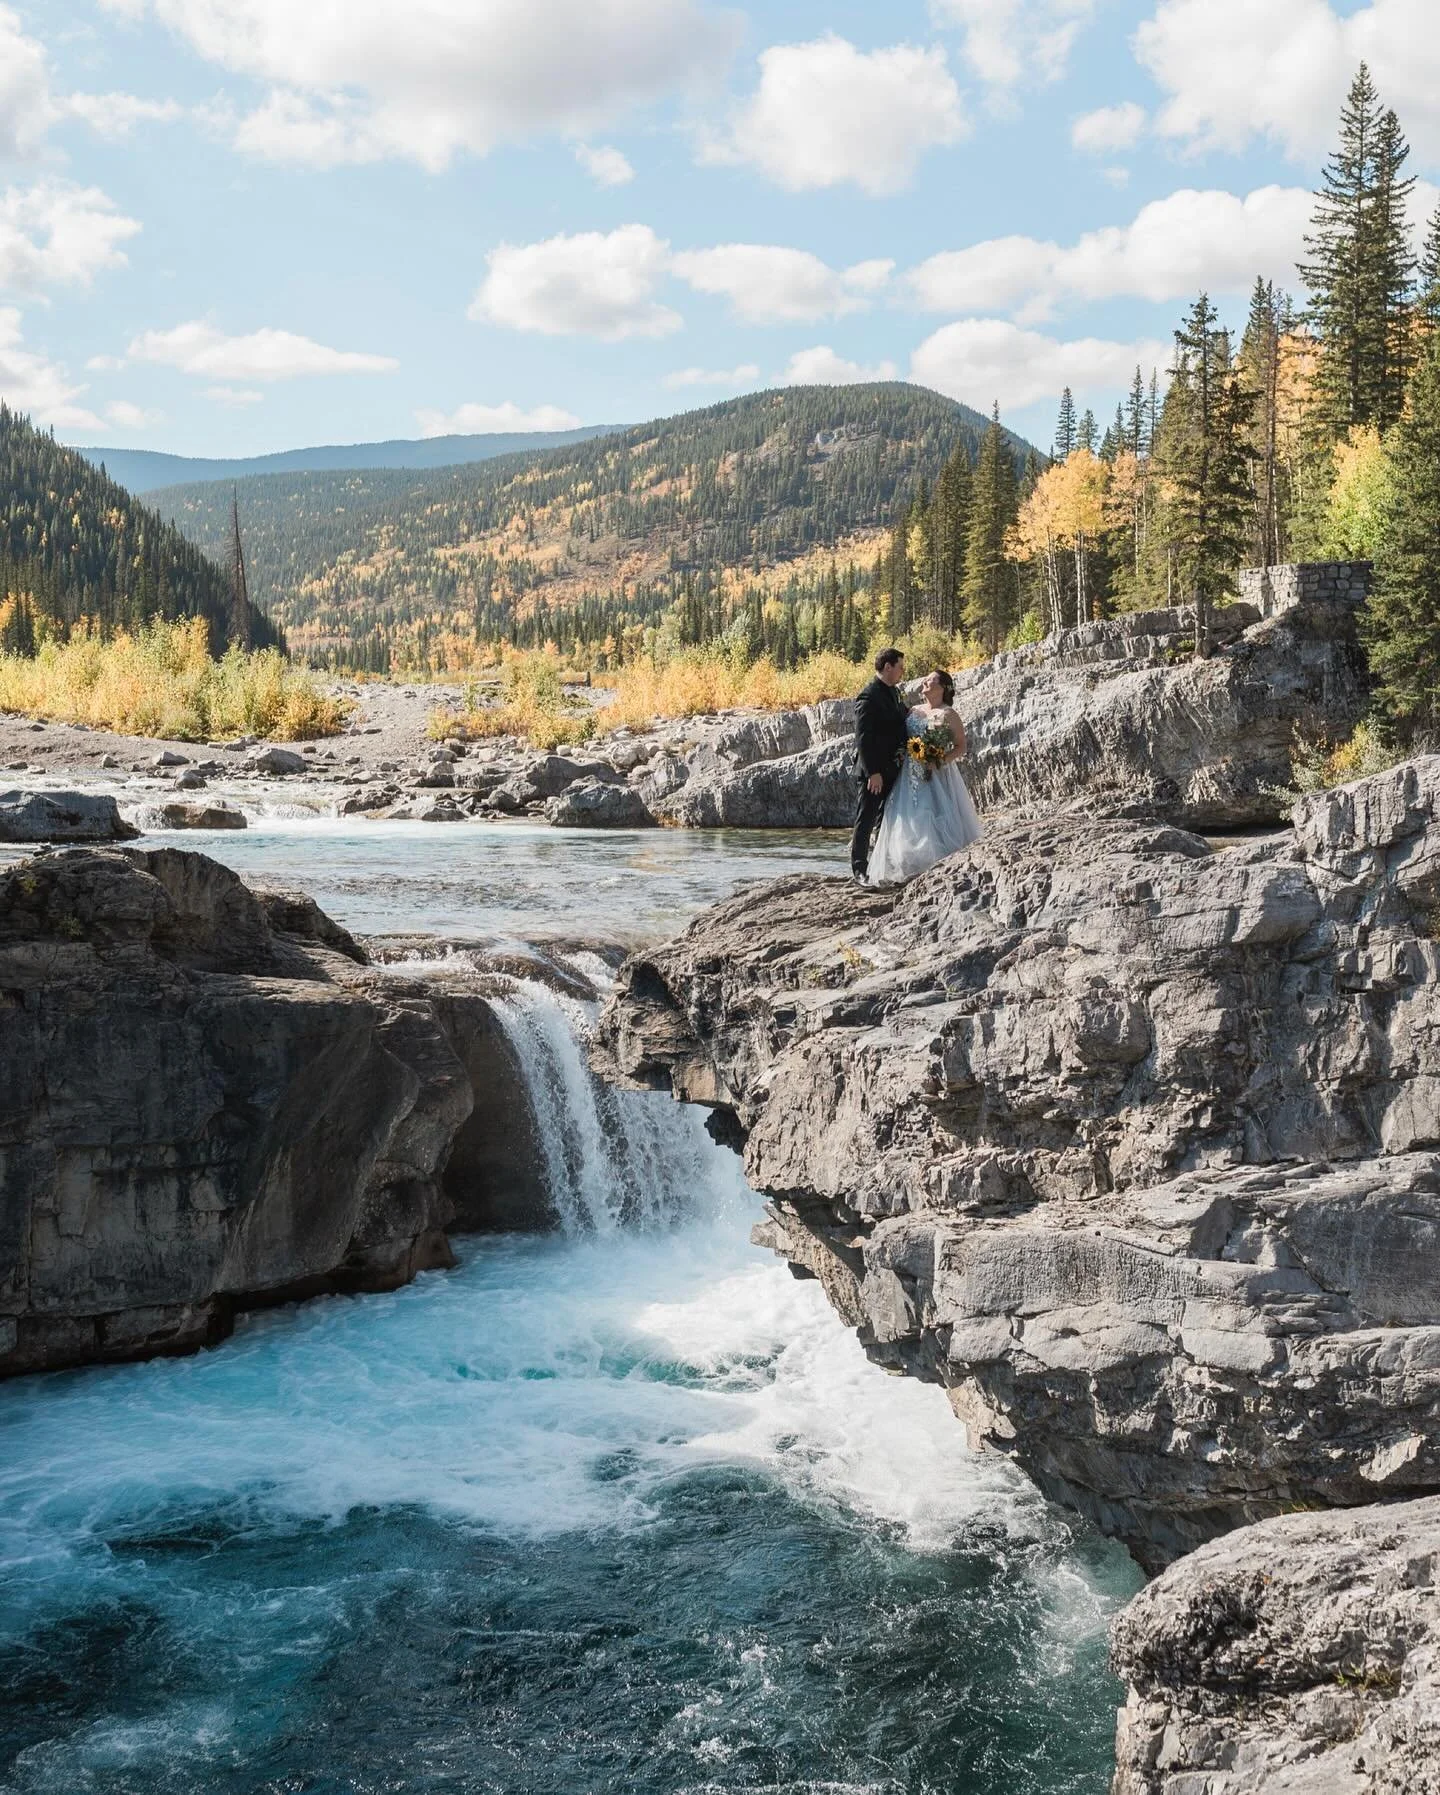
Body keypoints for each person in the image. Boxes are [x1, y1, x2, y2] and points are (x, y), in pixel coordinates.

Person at [866, 668, 983, 885]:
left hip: (937, 773)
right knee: (907, 815)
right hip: (908, 773)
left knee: (931, 813)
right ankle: (908, 867)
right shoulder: (914, 711)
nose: (925, 682)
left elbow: (961, 747)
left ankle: (936, 866)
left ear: (942, 687)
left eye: (930, 680)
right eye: (925, 679)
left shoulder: (948, 714)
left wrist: (938, 761)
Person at [851, 646, 910, 881]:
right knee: (865, 818)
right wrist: (873, 772)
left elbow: (903, 716)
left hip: (893, 769)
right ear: (887, 667)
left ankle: (880, 867)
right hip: (873, 772)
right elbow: (863, 738)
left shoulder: (894, 692)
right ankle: (859, 870)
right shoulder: (868, 696)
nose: (902, 671)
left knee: (885, 819)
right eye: (900, 667)